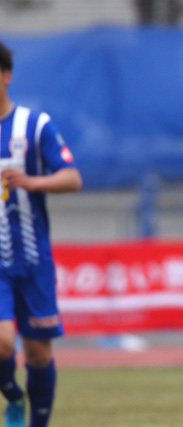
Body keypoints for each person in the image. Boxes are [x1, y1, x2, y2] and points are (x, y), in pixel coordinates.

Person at [0, 41, 82, 427]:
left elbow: (72, 178)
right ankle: (13, 396)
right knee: (2, 341)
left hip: (34, 259)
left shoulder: (34, 125)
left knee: (38, 354)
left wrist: (32, 182)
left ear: (6, 76)